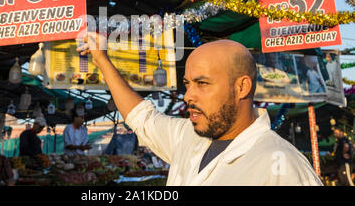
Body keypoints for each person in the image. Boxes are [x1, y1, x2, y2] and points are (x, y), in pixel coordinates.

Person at [77, 33, 322, 185]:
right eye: (187, 84)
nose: (188, 96)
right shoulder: (187, 136)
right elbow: (141, 117)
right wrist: (101, 59)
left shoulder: (282, 165)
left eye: (202, 84)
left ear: (242, 87)